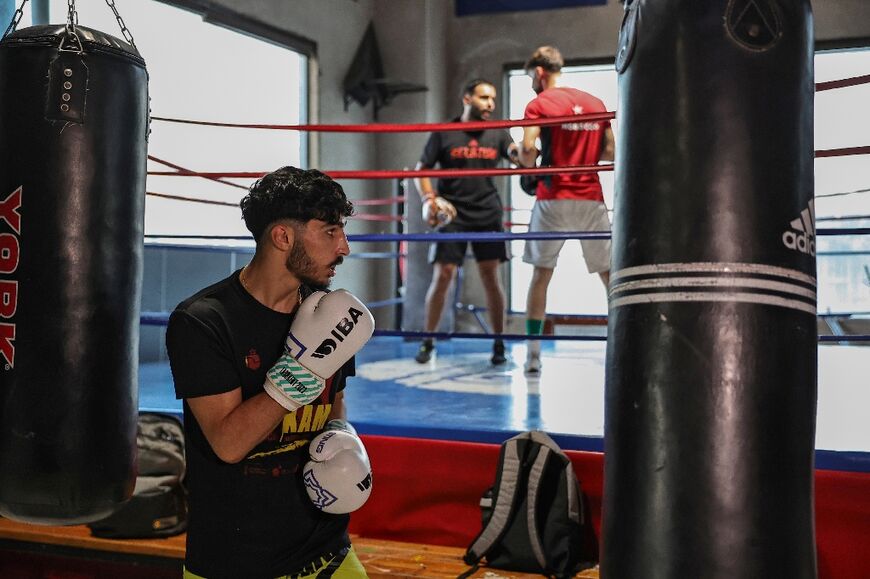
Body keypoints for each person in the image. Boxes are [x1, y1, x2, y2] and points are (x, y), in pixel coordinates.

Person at [166, 167, 374, 579]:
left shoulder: (331, 313)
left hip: (327, 552)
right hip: (236, 563)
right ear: (283, 237)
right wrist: (297, 372)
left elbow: (333, 406)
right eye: (330, 232)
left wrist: (344, 442)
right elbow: (228, 444)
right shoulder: (204, 322)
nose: (344, 247)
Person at [518, 46, 615, 375]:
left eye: (532, 75)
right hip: (591, 197)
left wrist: (525, 162)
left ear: (540, 72)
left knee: (541, 275)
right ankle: (622, 341)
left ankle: (533, 356)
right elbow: (611, 149)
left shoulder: (539, 103)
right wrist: (581, 155)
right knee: (609, 275)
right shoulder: (595, 103)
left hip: (553, 197)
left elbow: (529, 149)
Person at [413, 78, 519, 366]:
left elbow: (516, 156)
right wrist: (429, 199)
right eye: (484, 98)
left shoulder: (499, 133)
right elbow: (420, 170)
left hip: (487, 212)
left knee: (490, 275)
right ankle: (428, 341)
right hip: (453, 213)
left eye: (493, 99)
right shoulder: (445, 133)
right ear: (467, 98)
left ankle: (498, 343)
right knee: (444, 274)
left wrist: (526, 148)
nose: (490, 105)